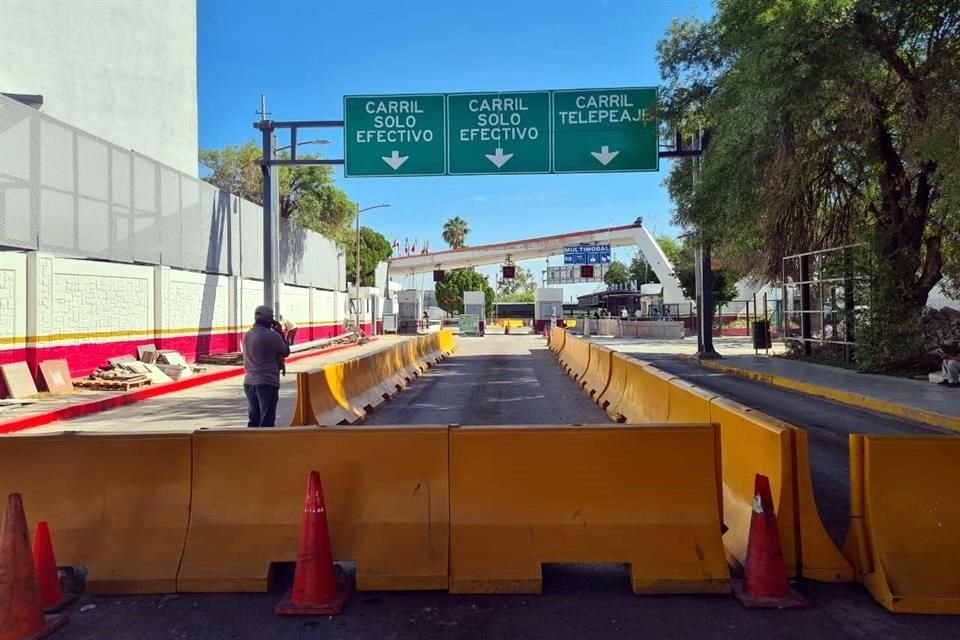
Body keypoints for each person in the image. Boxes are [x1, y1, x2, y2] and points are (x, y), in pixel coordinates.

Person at [242, 305, 290, 427]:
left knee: (254, 419)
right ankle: (265, 444)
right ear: (270, 320)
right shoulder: (273, 336)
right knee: (267, 420)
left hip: (249, 382)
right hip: (267, 382)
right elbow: (285, 351)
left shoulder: (247, 335)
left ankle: (252, 443)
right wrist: (281, 333)